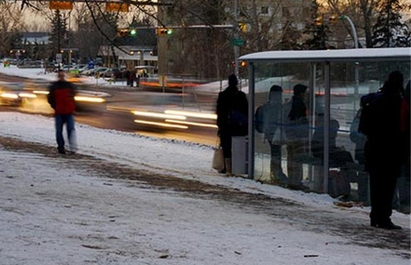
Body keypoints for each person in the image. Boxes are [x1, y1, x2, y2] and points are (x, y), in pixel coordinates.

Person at [359, 70, 409, 229]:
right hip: (391, 151)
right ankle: (384, 217)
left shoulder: (375, 100)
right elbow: (403, 129)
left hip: (373, 149)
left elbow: (365, 127)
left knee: (376, 184)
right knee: (388, 186)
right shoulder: (399, 102)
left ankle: (375, 216)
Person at [255, 85, 287, 185]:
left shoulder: (266, 106)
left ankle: (276, 174)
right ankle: (276, 175)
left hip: (269, 133)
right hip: (274, 133)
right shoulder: (277, 107)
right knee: (276, 155)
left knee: (275, 154)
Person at [216, 74, 248, 176]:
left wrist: (220, 126)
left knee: (226, 147)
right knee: (238, 147)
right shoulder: (241, 96)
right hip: (239, 127)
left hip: (226, 127)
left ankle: (228, 168)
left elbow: (219, 112)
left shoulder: (222, 95)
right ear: (237, 83)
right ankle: (238, 167)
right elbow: (246, 112)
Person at [284, 84, 309, 190]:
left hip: (289, 135)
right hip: (298, 136)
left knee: (291, 159)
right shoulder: (300, 104)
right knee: (298, 160)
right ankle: (297, 182)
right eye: (305, 93)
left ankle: (291, 180)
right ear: (301, 93)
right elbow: (301, 121)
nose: (306, 95)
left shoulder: (290, 103)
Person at [47, 70, 77, 155]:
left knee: (70, 129)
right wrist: (55, 107)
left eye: (62, 75)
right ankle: (61, 148)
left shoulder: (69, 86)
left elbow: (73, 95)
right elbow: (50, 98)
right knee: (59, 131)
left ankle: (72, 147)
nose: (61, 77)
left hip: (68, 111)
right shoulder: (54, 86)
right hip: (59, 112)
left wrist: (72, 106)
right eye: (60, 75)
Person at [349, 97, 370, 204]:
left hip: (361, 150)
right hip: (364, 150)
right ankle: (364, 196)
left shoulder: (360, 114)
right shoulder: (365, 114)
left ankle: (363, 195)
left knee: (363, 173)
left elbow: (353, 133)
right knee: (364, 173)